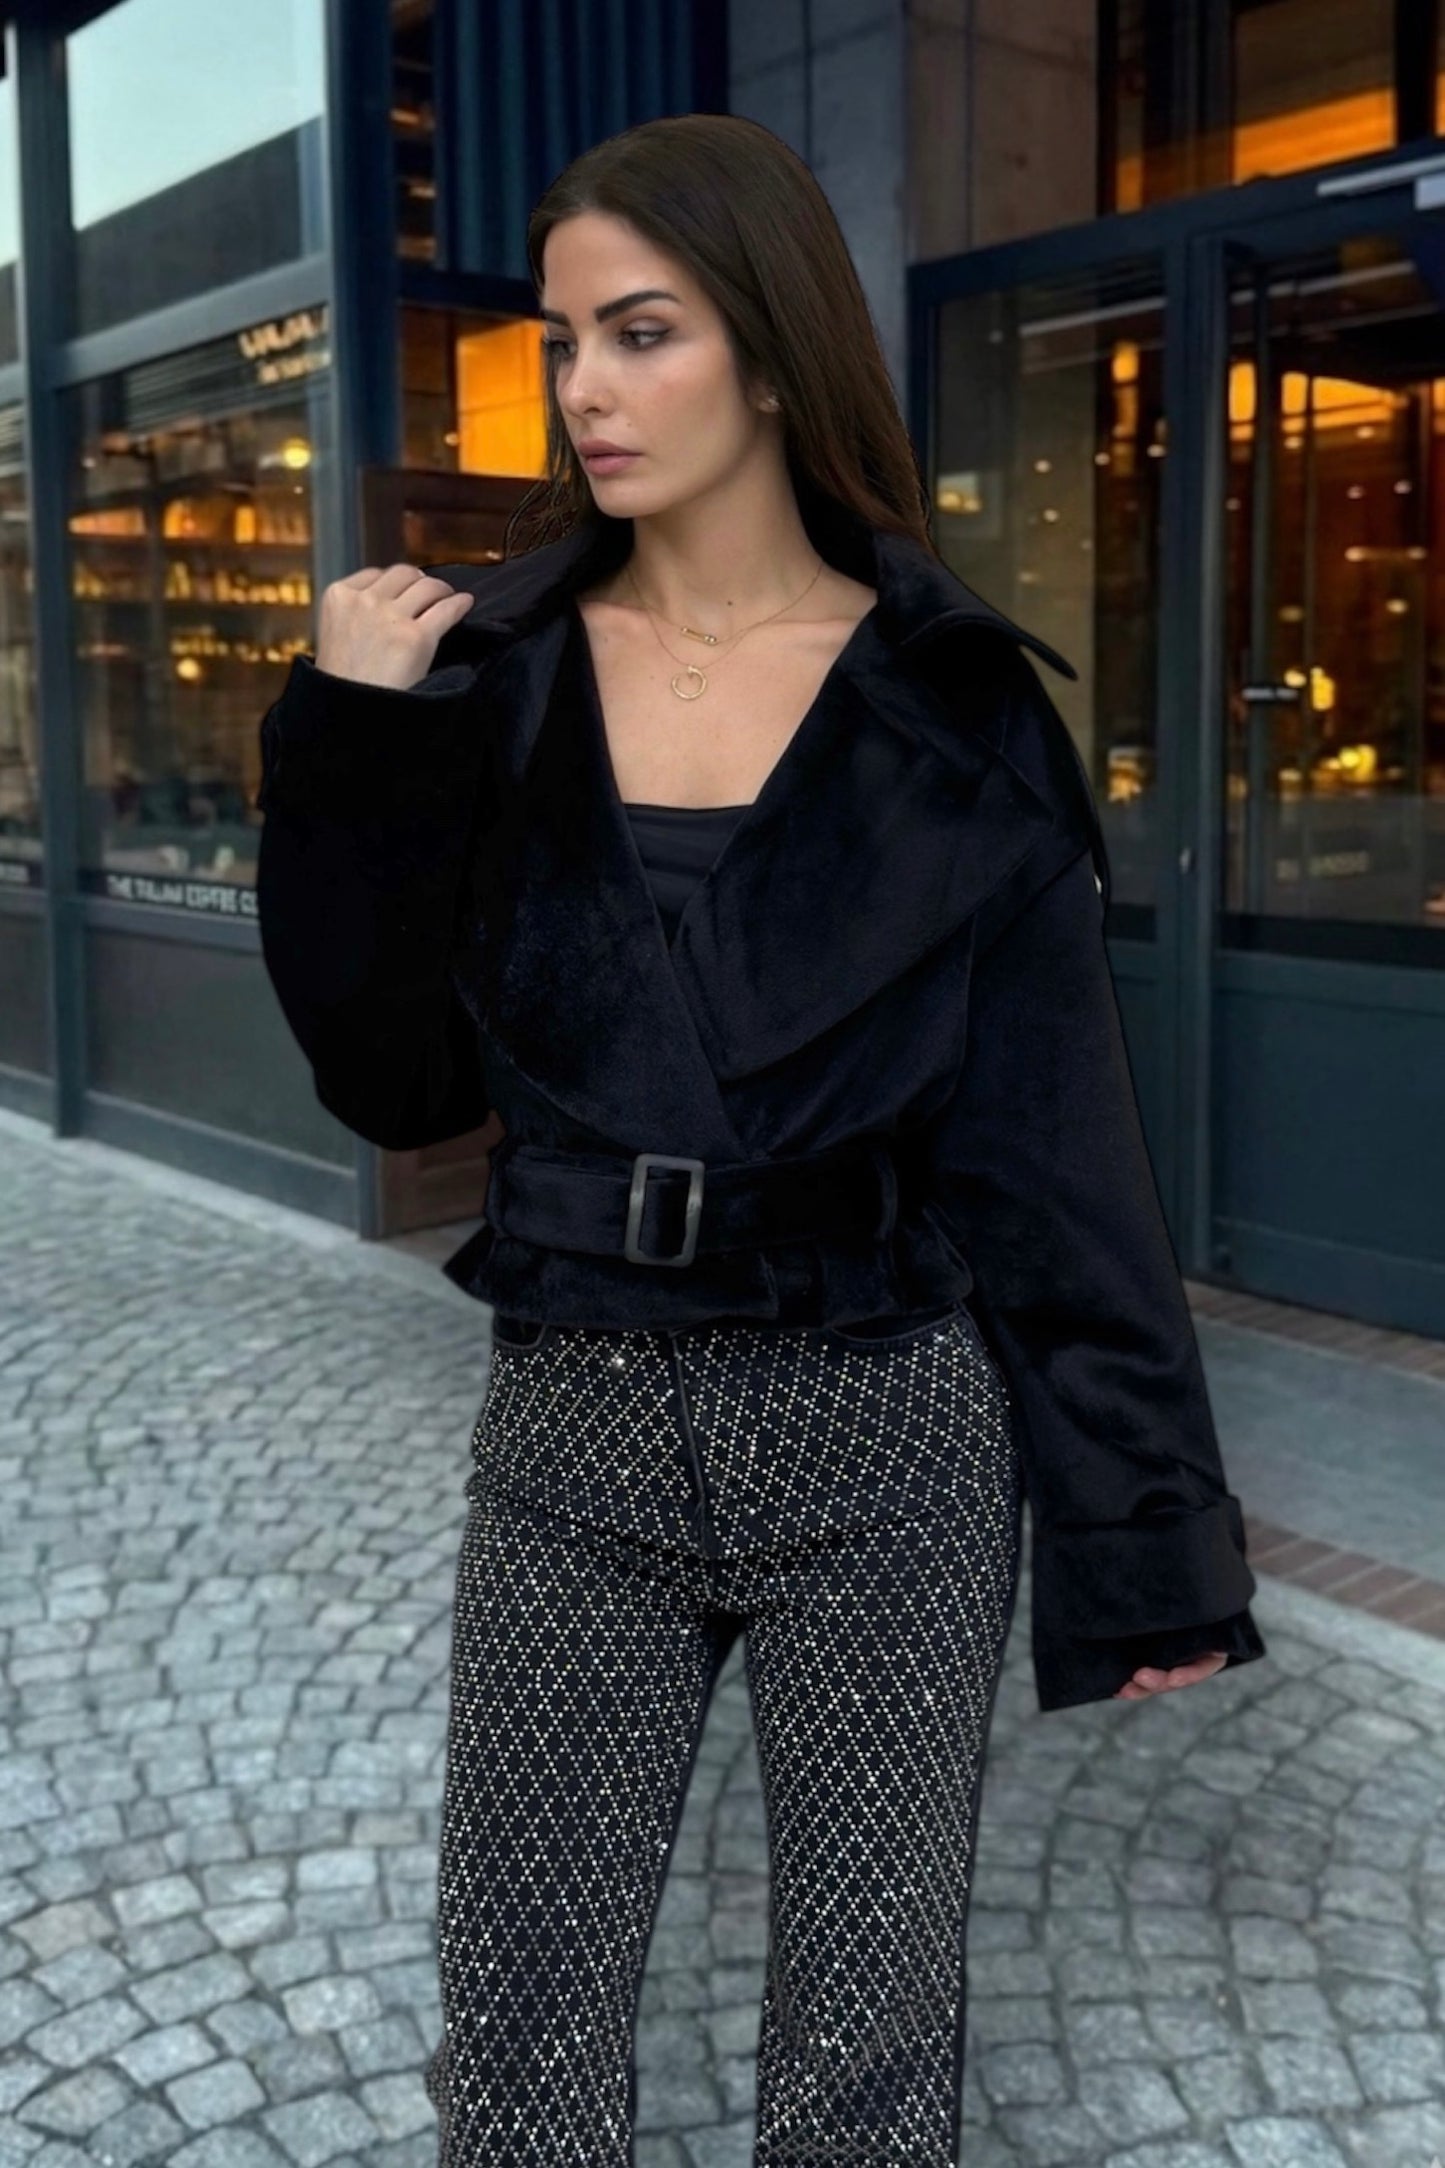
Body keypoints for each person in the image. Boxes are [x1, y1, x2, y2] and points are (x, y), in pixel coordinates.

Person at [255, 111, 1265, 2168]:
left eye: (642, 332)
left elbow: (1052, 1157)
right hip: (573, 1424)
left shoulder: (953, 710)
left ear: (778, 352)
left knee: (863, 2060)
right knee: (516, 2033)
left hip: (887, 1434)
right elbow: (391, 1086)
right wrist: (356, 736)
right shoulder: (481, 675)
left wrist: (1146, 1536)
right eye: (562, 341)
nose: (587, 390)